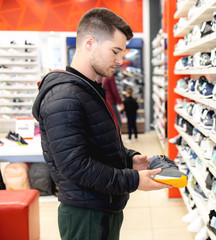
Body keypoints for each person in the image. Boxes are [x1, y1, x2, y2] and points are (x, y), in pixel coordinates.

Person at [32, 8, 171, 240]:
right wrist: (134, 180)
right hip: (86, 213)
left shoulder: (87, 89)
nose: (120, 60)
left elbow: (94, 145)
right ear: (89, 43)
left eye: (123, 52)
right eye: (115, 51)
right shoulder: (64, 97)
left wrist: (128, 159)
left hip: (102, 206)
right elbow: (76, 166)